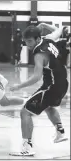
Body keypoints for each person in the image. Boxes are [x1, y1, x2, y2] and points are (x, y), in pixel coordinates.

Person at [9, 25, 68, 156]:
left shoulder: (39, 54)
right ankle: (60, 132)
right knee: (49, 106)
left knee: (25, 112)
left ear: (37, 39)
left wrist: (18, 86)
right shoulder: (49, 39)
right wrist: (44, 26)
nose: (27, 44)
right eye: (25, 41)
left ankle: (27, 146)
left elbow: (36, 77)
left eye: (30, 41)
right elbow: (59, 30)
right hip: (63, 84)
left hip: (51, 87)